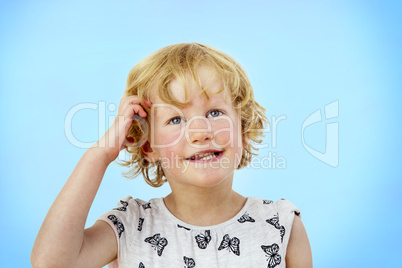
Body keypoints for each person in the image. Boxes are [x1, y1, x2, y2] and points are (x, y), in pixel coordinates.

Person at [31, 43, 312, 268]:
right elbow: (51, 263)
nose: (200, 132)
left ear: (244, 128)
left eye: (215, 113)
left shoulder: (281, 225)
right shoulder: (130, 225)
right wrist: (101, 154)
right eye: (176, 119)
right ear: (148, 147)